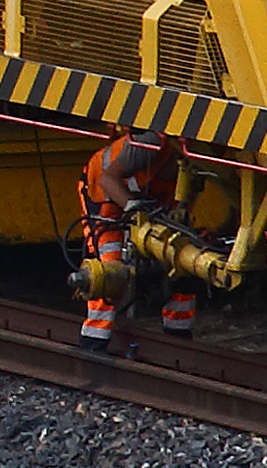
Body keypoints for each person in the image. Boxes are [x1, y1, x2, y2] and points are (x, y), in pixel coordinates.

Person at [78, 129, 188, 349]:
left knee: (179, 264)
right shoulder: (149, 144)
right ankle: (93, 343)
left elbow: (181, 198)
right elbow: (107, 179)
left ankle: (179, 341)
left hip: (150, 203)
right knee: (110, 269)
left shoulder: (196, 157)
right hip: (105, 200)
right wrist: (133, 207)